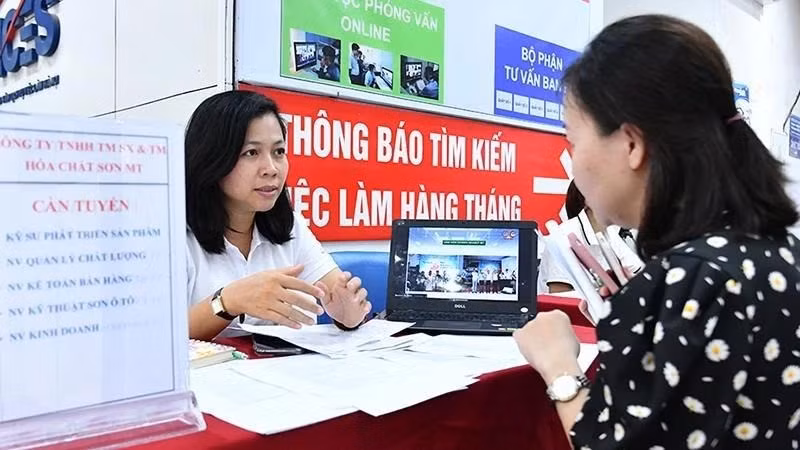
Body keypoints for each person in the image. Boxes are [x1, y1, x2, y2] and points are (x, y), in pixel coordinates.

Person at [514, 14, 800, 449]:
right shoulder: (777, 250)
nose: (574, 163)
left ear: (631, 144)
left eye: (573, 140)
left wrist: (559, 368)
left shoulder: (688, 282)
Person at [185, 91, 371, 341]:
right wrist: (228, 301)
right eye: (251, 153)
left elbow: (336, 292)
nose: (271, 169)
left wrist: (348, 316)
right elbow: (156, 339)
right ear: (212, 157)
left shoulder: (290, 226)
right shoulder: (174, 235)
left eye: (279, 152)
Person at [541, 180, 644, 294]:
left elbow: (637, 274)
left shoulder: (612, 233)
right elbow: (559, 297)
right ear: (590, 198)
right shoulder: (563, 236)